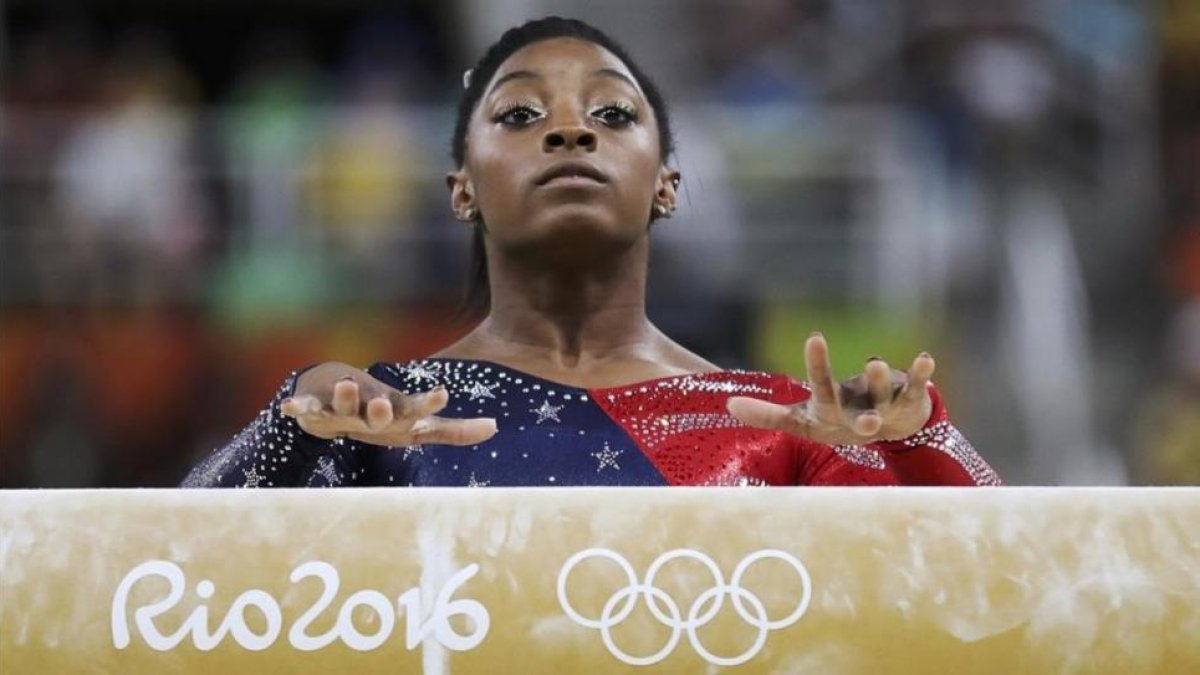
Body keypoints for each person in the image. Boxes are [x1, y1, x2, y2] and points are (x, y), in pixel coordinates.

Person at [182, 17, 1001, 489]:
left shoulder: (777, 417)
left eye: (612, 115)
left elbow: (995, 600)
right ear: (461, 186)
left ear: (666, 184)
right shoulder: (388, 415)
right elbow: (154, 583)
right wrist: (290, 429)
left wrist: (917, 441)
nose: (570, 129)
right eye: (518, 116)